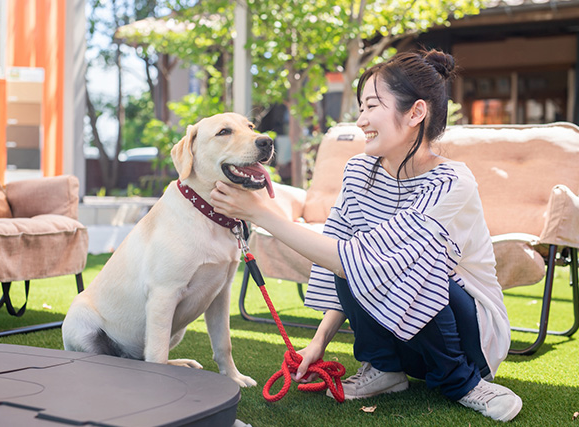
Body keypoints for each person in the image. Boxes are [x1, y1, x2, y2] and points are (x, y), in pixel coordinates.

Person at [210, 49, 522, 422]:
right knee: (350, 255)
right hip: (406, 341)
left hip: (467, 338)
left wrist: (259, 212)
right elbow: (339, 260)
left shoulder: (451, 183)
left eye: (372, 106)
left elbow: (368, 259)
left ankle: (464, 383)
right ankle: (385, 369)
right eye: (361, 108)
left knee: (407, 259)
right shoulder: (360, 170)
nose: (361, 121)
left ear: (415, 113)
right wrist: (318, 343)